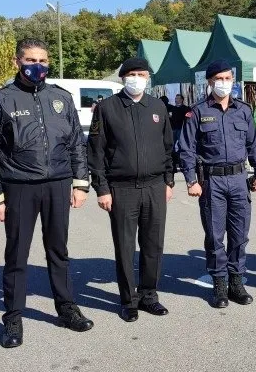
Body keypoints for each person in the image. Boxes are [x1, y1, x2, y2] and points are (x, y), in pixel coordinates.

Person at [0, 38, 94, 348]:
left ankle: (66, 308)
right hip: (18, 187)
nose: (37, 66)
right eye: (31, 60)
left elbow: (76, 144)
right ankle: (13, 318)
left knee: (59, 250)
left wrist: (81, 183)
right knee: (17, 254)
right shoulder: (1, 100)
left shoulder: (61, 98)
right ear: (18, 62)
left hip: (58, 184)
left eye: (43, 60)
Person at [87, 57, 174, 322]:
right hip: (122, 189)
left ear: (148, 78)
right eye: (133, 74)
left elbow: (168, 147)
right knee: (125, 247)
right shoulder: (107, 108)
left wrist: (168, 181)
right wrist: (101, 188)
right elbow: (96, 151)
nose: (138, 78)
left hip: (154, 187)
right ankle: (128, 300)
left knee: (153, 245)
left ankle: (149, 295)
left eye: (143, 74)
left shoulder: (158, 106)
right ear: (123, 77)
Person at [179, 60, 256, 308]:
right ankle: (219, 286)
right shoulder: (197, 112)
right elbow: (186, 148)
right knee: (215, 236)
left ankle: (236, 283)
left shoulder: (244, 110)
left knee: (239, 235)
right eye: (219, 79)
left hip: (239, 180)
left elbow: (254, 144)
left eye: (228, 78)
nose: (224, 83)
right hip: (211, 181)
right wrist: (191, 179)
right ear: (210, 82)